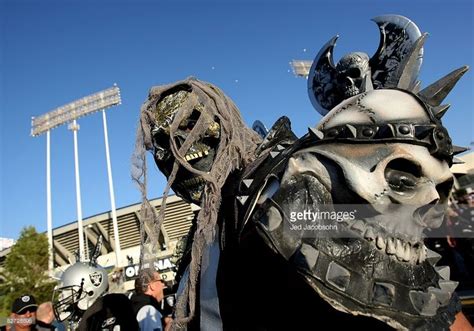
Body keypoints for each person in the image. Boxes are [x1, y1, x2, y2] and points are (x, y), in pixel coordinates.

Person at [133, 15, 472, 330]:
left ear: (222, 126)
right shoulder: (208, 226)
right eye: (162, 145)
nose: (179, 151)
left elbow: (421, 306)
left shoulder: (282, 189)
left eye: (190, 127)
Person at [52, 261, 139, 331]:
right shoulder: (86, 319)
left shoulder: (112, 312)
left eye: (69, 292)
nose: (61, 298)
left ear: (90, 292)